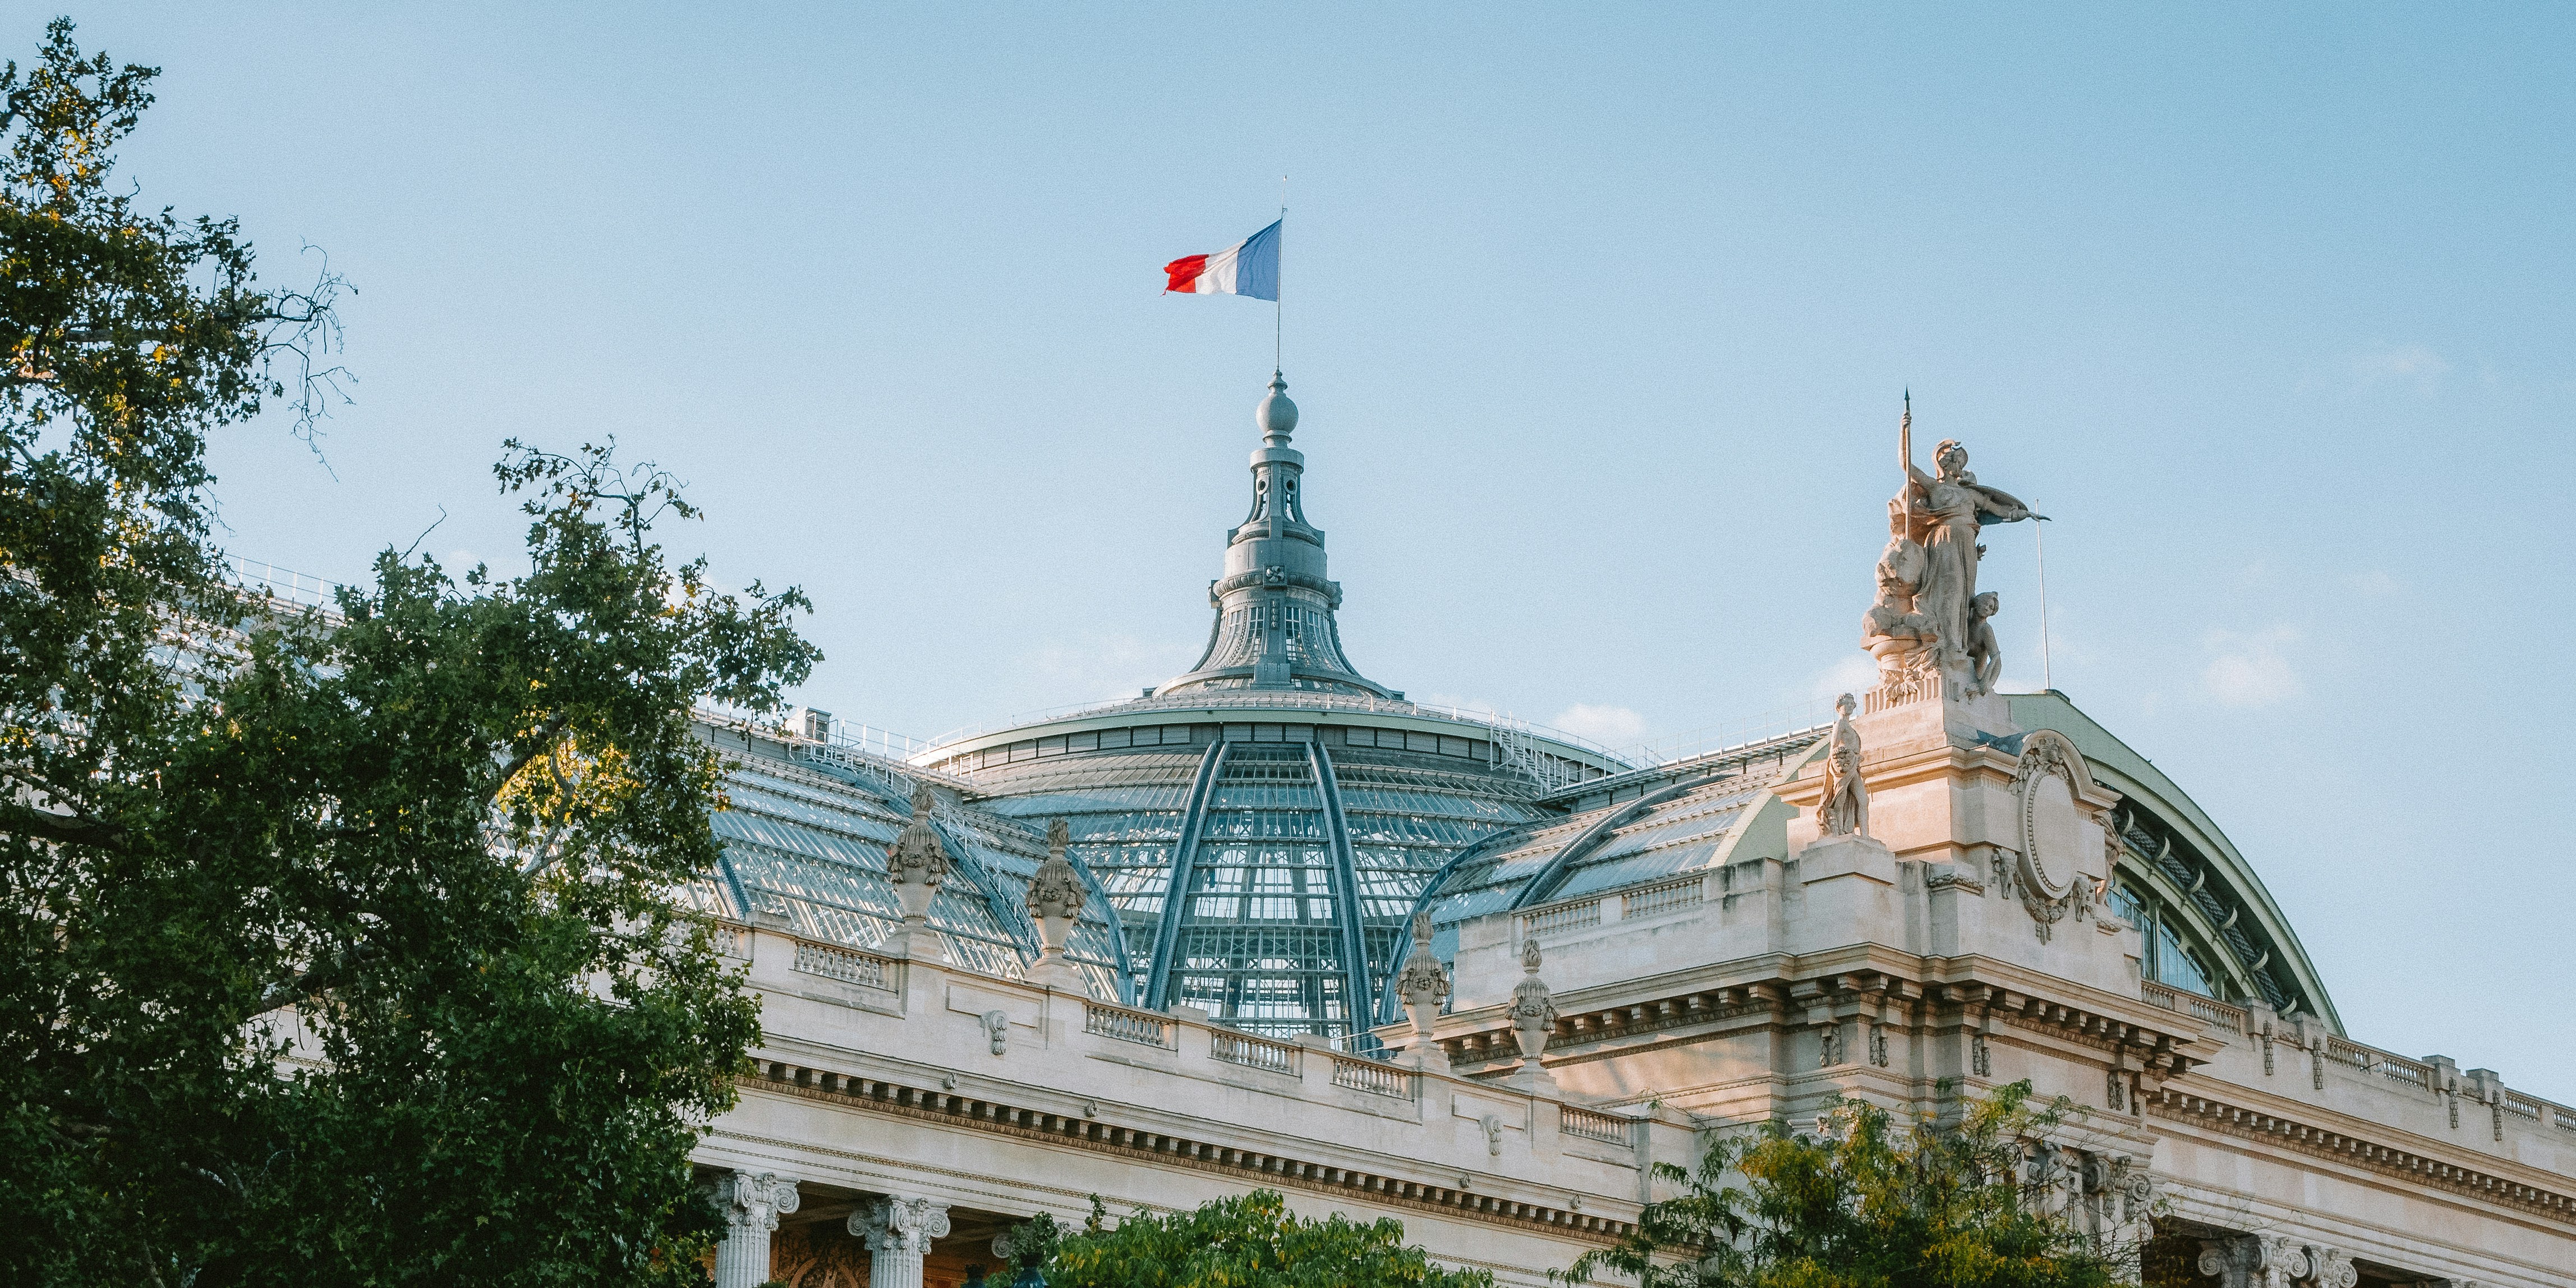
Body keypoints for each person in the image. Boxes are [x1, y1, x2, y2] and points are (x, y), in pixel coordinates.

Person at [1903, 439, 2034, 677]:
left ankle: (1958, 645)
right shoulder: (1935, 488)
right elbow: (1907, 466)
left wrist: (2023, 514)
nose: (1957, 465)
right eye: (1954, 460)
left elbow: (2000, 510)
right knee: (1949, 591)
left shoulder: (1970, 493)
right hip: (1943, 540)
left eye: (1961, 462)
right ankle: (1946, 645)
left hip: (1966, 544)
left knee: (1964, 593)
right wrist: (1904, 431)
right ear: (1942, 463)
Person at [1819, 692, 1867, 837]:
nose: (1851, 706)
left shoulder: (1850, 727)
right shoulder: (1839, 725)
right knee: (1840, 798)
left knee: (1863, 800)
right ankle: (1838, 832)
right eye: (1848, 703)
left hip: (1853, 765)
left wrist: (1857, 758)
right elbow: (1833, 748)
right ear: (1839, 707)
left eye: (1853, 704)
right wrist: (1841, 765)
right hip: (1844, 766)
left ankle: (1865, 835)